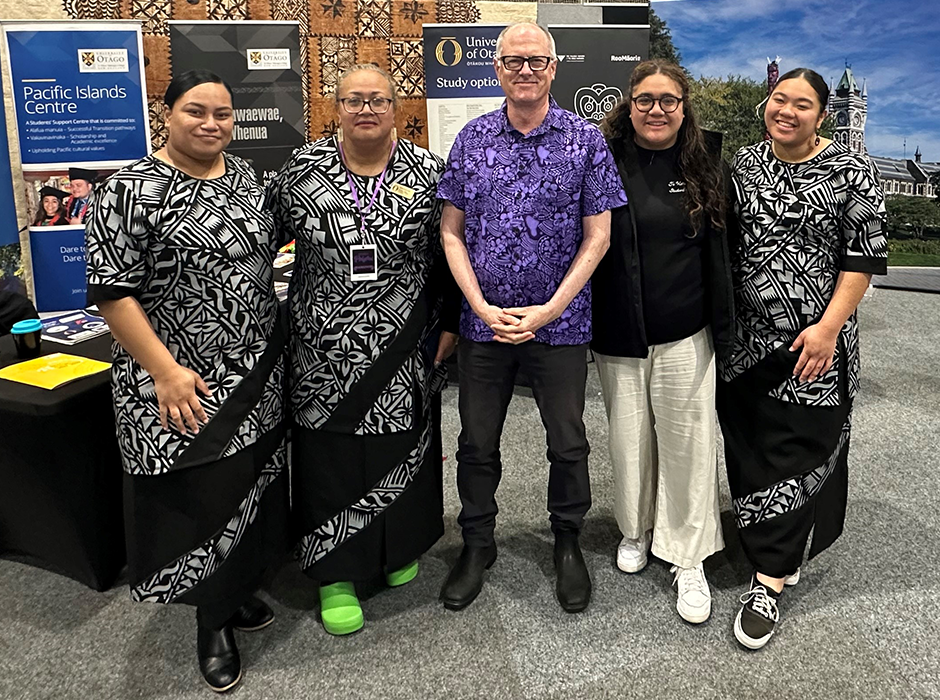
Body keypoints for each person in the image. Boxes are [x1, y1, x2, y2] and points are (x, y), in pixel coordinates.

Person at [84, 70, 289, 692]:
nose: (211, 124)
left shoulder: (249, 182)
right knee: (197, 502)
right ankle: (211, 621)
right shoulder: (127, 190)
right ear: (166, 115)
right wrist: (166, 372)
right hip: (178, 384)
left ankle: (238, 591)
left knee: (248, 491)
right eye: (196, 111)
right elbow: (112, 293)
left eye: (223, 114)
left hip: (254, 375)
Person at [437, 22, 626, 614]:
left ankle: (567, 541)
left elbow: (598, 237)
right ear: (497, 69)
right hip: (484, 327)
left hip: (562, 326)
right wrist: (476, 304)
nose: (524, 70)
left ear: (552, 69)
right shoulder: (471, 140)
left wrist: (551, 308)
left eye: (536, 61)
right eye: (513, 61)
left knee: (568, 442)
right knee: (476, 442)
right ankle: (477, 543)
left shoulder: (584, 140)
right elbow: (450, 232)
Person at [266, 64, 460, 636]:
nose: (367, 109)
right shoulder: (301, 171)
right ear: (336, 109)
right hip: (323, 347)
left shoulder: (431, 171)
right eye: (354, 100)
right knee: (331, 457)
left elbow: (450, 250)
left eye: (378, 99)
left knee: (405, 445)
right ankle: (336, 574)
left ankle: (397, 545)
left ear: (396, 106)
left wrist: (449, 320)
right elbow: (258, 241)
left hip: (406, 341)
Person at [719, 67, 887, 650]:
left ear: (822, 114)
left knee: (801, 453)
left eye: (802, 104)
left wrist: (828, 329)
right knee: (751, 449)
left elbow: (861, 259)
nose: (786, 110)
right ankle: (768, 544)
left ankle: (766, 582)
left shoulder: (850, 171)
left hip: (813, 346)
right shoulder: (741, 164)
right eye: (778, 99)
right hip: (744, 348)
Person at [592, 59, 734, 624]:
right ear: (629, 104)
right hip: (618, 331)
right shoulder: (601, 159)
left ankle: (688, 556)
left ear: (684, 106)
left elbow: (724, 255)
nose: (656, 109)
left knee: (687, 446)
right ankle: (635, 529)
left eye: (668, 100)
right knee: (629, 440)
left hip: (686, 332)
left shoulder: (708, 164)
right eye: (645, 99)